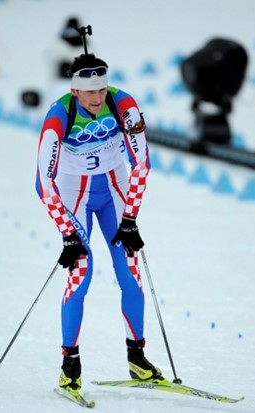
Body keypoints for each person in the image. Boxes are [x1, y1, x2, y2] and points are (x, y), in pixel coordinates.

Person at [35, 52, 161, 395]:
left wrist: (131, 218)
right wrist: (67, 233)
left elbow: (142, 164)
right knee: (82, 273)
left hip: (115, 191)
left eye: (102, 89)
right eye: (89, 91)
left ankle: (137, 358)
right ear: (74, 91)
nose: (97, 97)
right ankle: (69, 364)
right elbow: (43, 185)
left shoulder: (123, 104)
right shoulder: (59, 115)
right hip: (75, 195)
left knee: (130, 272)